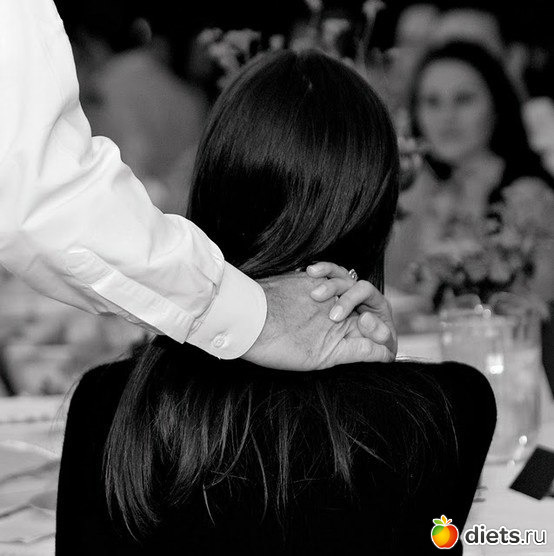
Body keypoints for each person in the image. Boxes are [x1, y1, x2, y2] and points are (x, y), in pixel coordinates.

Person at [57, 49, 497, 555]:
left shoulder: (107, 406)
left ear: (212, 190)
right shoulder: (452, 409)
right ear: (376, 210)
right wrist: (385, 371)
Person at [0, 0, 396, 373]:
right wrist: (258, 317)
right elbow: (44, 199)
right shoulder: (427, 402)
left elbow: (45, 195)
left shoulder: (110, 398)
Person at [386, 41, 554, 302]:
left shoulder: (527, 195)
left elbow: (538, 301)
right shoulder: (422, 188)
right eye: (432, 102)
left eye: (463, 99)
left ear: (496, 104)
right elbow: (394, 286)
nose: (447, 116)